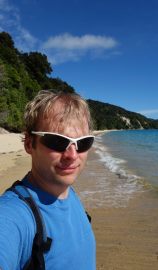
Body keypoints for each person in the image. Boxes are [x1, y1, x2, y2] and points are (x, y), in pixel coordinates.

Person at [0, 90, 96, 270]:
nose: (72, 155)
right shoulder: (14, 216)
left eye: (83, 143)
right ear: (29, 144)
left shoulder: (69, 192)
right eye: (57, 142)